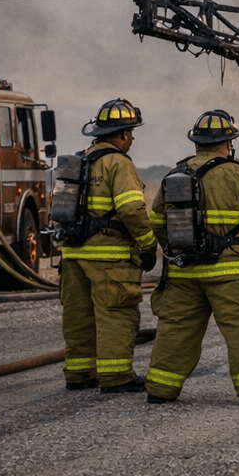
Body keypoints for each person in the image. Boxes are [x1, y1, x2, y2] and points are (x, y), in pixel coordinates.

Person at [144, 109, 239, 405]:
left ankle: (160, 389)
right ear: (228, 144)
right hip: (229, 273)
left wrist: (176, 251)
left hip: (183, 273)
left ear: (196, 144)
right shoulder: (236, 173)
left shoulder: (175, 175)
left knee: (175, 330)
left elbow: (157, 221)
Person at [60, 97, 158, 392]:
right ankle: (117, 377)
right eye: (131, 133)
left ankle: (80, 374)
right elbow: (131, 210)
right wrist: (148, 244)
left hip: (72, 254)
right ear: (122, 135)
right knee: (116, 314)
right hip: (109, 258)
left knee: (79, 317)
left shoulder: (79, 161)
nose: (132, 139)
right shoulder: (118, 163)